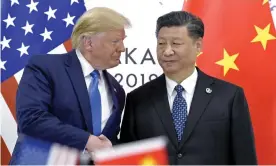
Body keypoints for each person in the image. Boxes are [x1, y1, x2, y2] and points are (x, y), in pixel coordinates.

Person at [120, 11, 257, 165]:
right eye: (161, 43)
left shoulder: (229, 96)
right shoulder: (138, 99)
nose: (167, 51)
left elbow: (245, 158)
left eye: (176, 44)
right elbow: (129, 158)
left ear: (198, 46)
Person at [10, 7, 131, 164]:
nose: (122, 48)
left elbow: (107, 142)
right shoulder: (46, 67)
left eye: (122, 41)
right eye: (115, 41)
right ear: (88, 43)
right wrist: (87, 140)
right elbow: (31, 119)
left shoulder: (117, 90)